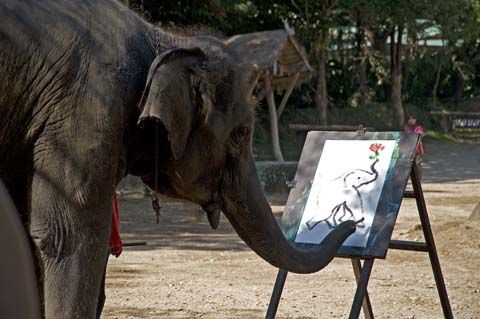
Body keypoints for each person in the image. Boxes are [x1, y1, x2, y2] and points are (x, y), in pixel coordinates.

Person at [96, 193, 123, 319]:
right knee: (97, 294)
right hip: (99, 243)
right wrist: (115, 241)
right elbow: (111, 211)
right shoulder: (103, 183)